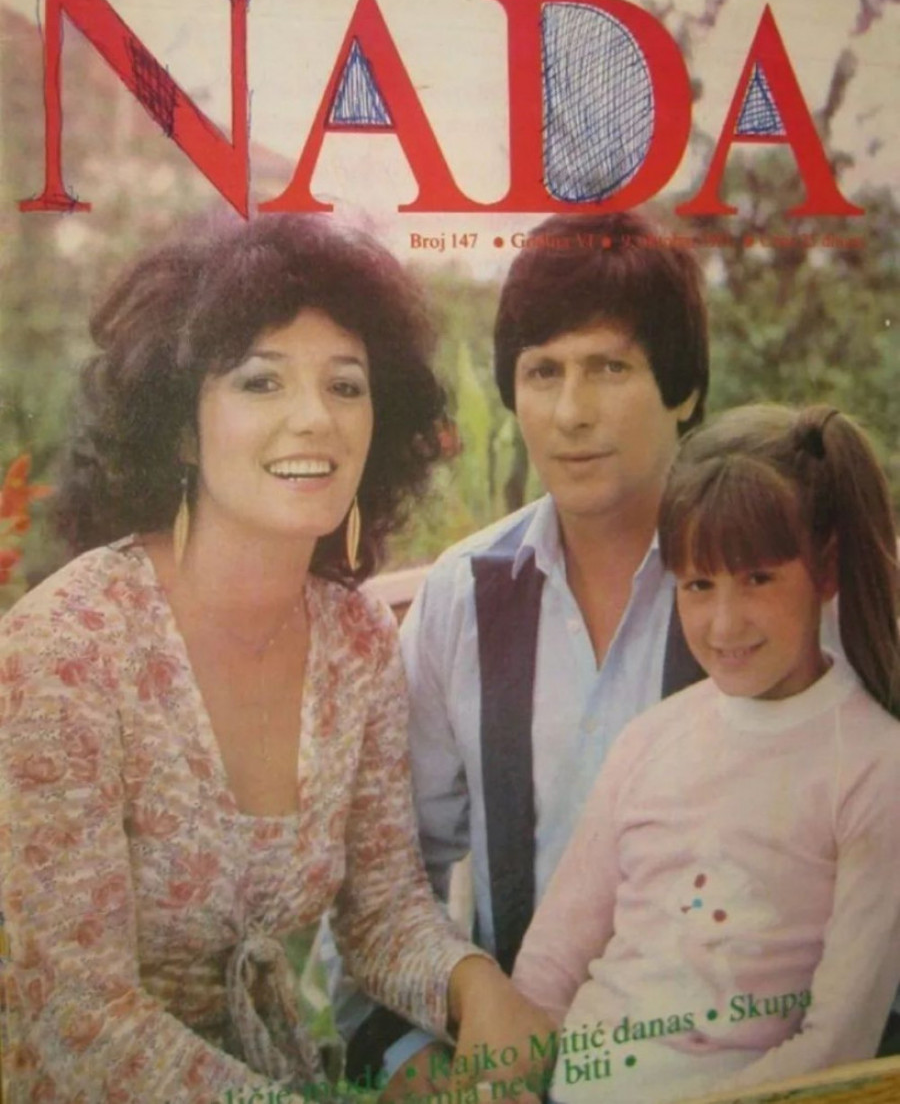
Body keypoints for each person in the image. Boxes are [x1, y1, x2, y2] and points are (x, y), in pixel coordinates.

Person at [0, 214, 551, 1104]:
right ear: (181, 429)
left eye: (345, 385)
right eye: (261, 381)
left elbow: (380, 912)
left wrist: (471, 983)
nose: (315, 418)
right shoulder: (67, 650)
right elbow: (81, 1017)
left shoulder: (357, 639)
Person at [361, 211, 710, 1092]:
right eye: (543, 371)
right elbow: (385, 874)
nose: (570, 412)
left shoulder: (775, 591)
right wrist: (414, 1062)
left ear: (684, 389)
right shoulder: (460, 597)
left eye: (610, 367)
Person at [513, 403, 900, 1104]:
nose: (724, 624)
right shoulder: (650, 738)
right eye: (698, 585)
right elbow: (550, 965)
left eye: (758, 579)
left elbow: (837, 1044)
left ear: (826, 568)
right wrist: (509, 1078)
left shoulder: (875, 766)